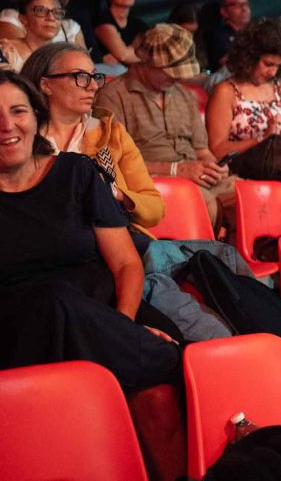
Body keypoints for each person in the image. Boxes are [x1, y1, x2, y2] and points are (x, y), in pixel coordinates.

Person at [0, 71, 180, 391]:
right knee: (55, 299)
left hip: (103, 310)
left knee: (167, 378)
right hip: (20, 333)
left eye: (18, 111)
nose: (7, 125)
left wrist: (116, 330)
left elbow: (126, 264)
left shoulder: (76, 172)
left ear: (36, 116)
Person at [20, 43, 165, 250]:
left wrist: (113, 193)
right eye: (80, 76)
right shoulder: (19, 138)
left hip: (114, 244)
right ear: (46, 84)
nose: (93, 86)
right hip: (43, 246)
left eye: (94, 76)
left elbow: (155, 209)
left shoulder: (111, 133)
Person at [95, 24, 235, 230]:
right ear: (147, 62)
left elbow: (201, 150)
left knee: (247, 197)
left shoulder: (185, 95)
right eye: (170, 72)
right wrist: (176, 170)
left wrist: (215, 167)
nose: (177, 78)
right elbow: (113, 164)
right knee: (202, 203)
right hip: (150, 183)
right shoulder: (112, 96)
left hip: (197, 177)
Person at [205, 19, 281, 160]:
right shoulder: (226, 91)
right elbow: (217, 149)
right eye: (268, 64)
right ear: (249, 58)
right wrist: (262, 138)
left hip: (279, 164)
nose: (273, 72)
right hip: (241, 166)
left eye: (278, 66)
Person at [0, 0, 71, 72]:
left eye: (57, 12)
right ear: (23, 18)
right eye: (41, 10)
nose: (51, 18)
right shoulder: (5, 51)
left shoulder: (65, 57)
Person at [92, 0, 148, 65]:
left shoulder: (138, 24)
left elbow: (154, 52)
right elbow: (123, 56)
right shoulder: (102, 19)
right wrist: (137, 53)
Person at [205, 0, 251, 69]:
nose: (244, 9)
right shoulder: (217, 36)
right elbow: (223, 63)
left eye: (246, 4)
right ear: (224, 12)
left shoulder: (255, 32)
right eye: (238, 5)